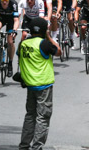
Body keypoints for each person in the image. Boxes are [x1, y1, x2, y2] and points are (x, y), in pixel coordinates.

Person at [16, 17, 60, 150]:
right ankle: (37, 147)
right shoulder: (43, 44)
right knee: (43, 117)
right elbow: (58, 51)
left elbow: (19, 55)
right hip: (44, 86)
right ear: (43, 31)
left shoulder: (23, 44)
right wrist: (49, 36)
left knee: (30, 115)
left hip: (30, 85)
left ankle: (24, 145)